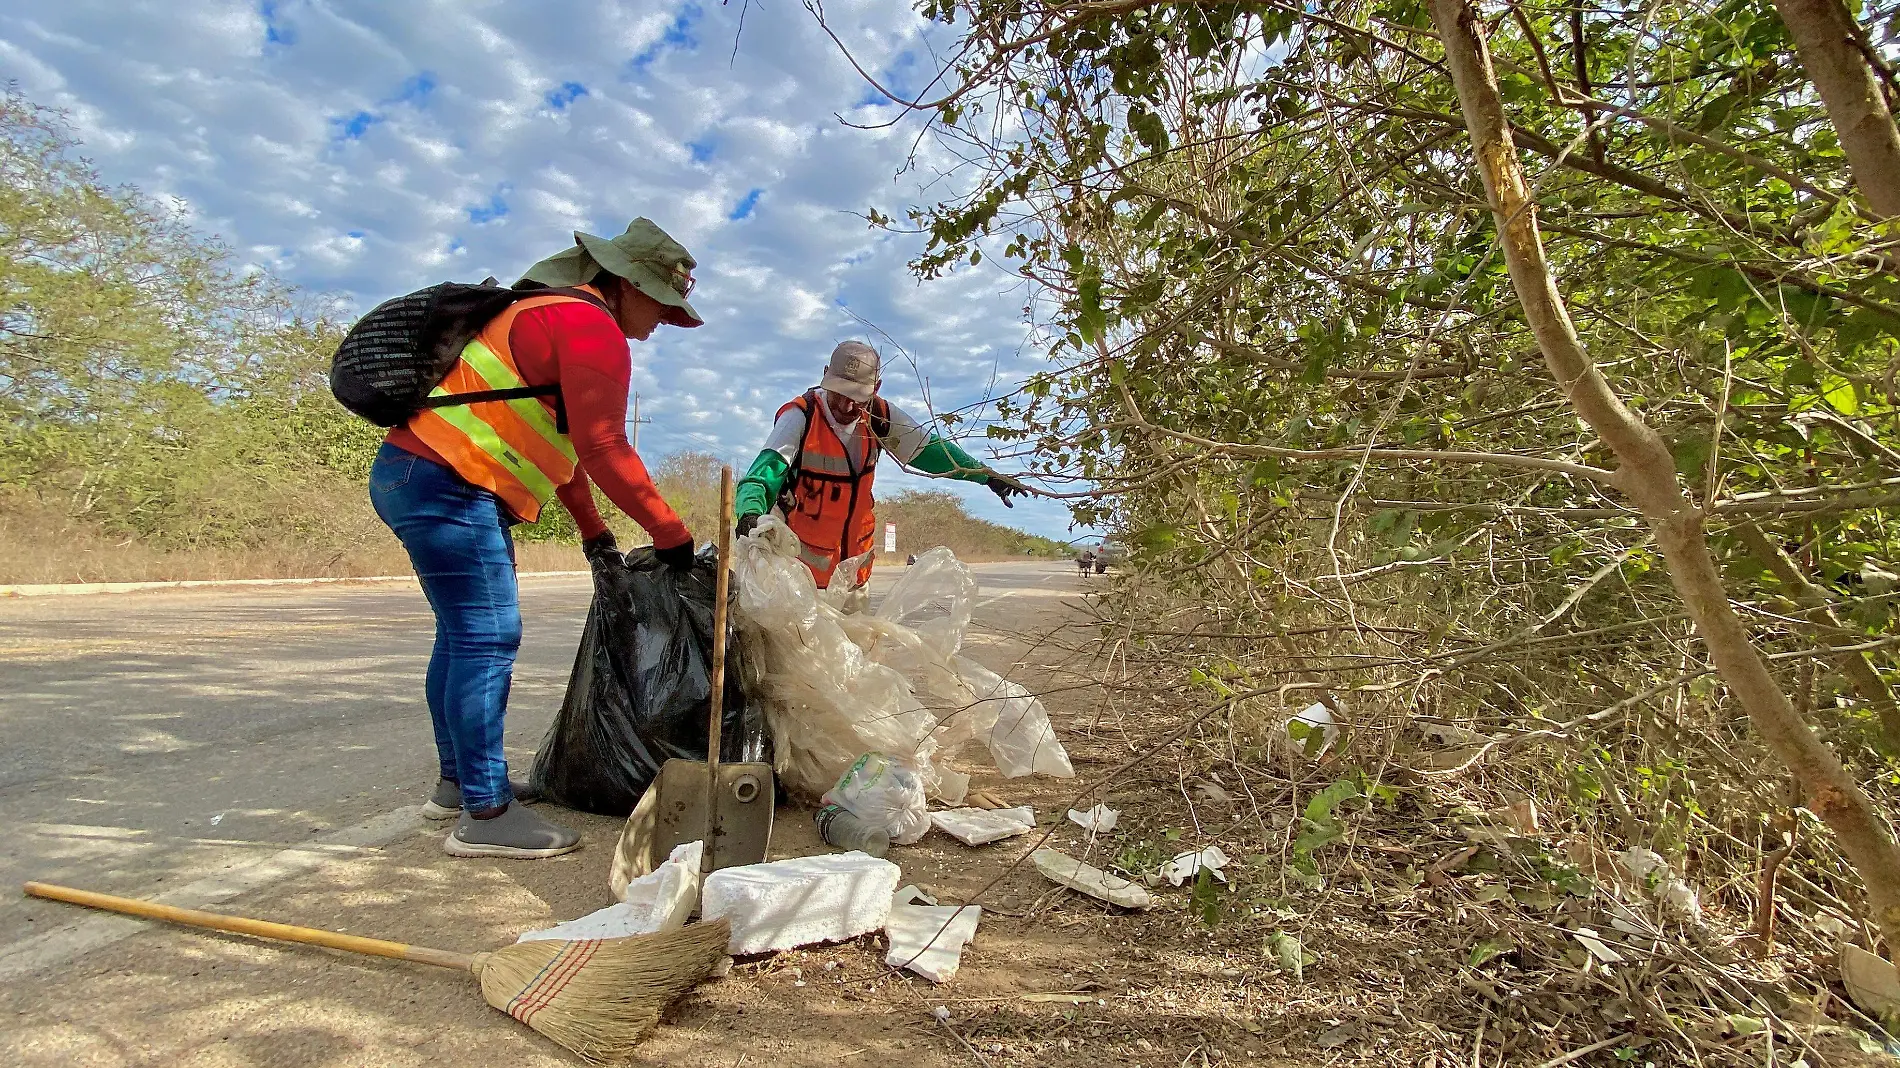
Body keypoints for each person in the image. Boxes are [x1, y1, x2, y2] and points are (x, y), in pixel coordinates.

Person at [369, 218, 702, 860]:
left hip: (420, 475)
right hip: (449, 482)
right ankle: (486, 812)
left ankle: (458, 782)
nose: (662, 318)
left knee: (461, 634)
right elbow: (605, 445)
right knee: (487, 636)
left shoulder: (552, 315)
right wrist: (672, 537)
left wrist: (597, 537)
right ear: (626, 282)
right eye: (661, 301)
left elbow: (567, 453)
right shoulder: (589, 326)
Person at [733, 341, 1031, 593]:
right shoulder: (802, 416)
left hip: (853, 577)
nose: (848, 406)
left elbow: (932, 452)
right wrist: (749, 513)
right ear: (825, 376)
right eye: (839, 394)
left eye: (858, 397)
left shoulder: (881, 417)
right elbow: (762, 476)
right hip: (800, 578)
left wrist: (986, 476)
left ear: (876, 387)